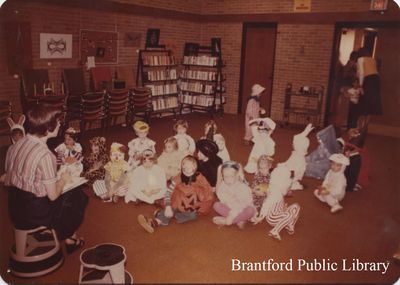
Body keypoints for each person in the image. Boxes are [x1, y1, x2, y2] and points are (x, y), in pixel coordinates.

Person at [5, 104, 88, 254]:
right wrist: (63, 179)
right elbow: (53, 195)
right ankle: (69, 237)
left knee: (62, 193)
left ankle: (59, 233)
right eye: (57, 122)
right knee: (78, 196)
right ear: (48, 128)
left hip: (14, 208)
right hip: (34, 214)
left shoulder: (14, 146)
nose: (60, 124)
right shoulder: (45, 155)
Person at [137, 155, 214, 233]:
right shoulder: (178, 178)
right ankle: (153, 222)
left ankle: (163, 214)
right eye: (184, 167)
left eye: (189, 168)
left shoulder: (200, 178)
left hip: (191, 207)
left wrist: (202, 208)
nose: (187, 170)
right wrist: (167, 207)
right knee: (171, 209)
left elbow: (208, 193)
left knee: (193, 216)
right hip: (178, 202)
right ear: (181, 167)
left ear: (195, 168)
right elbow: (168, 192)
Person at [253, 164, 300, 241]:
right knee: (289, 215)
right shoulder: (275, 192)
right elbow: (266, 204)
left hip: (279, 212)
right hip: (272, 217)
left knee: (296, 206)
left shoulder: (278, 190)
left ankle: (290, 225)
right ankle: (275, 230)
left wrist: (282, 207)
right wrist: (261, 216)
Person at [212, 161, 256, 229]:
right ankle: (240, 220)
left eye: (231, 176)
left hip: (242, 209)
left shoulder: (242, 187)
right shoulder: (224, 184)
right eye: (225, 176)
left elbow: (242, 204)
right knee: (216, 205)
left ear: (237, 175)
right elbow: (219, 194)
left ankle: (226, 221)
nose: (228, 179)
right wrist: (219, 178)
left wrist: (230, 217)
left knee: (251, 211)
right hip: (230, 208)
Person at [282, 123, 313, 191]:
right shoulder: (296, 153)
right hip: (289, 171)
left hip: (294, 176)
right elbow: (289, 162)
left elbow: (298, 172)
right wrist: (305, 131)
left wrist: (293, 178)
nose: (292, 144)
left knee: (286, 183)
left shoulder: (300, 159)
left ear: (299, 147)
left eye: (294, 143)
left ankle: (295, 185)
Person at [356, 47, 382, 120]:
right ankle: (366, 123)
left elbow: (362, 73)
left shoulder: (360, 59)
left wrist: (360, 85)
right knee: (371, 102)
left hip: (368, 79)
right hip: (376, 79)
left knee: (364, 100)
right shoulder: (372, 59)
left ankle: (360, 123)